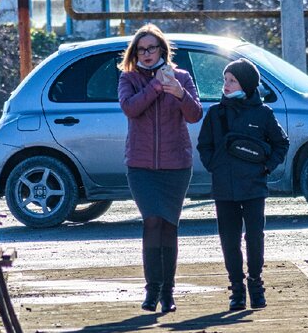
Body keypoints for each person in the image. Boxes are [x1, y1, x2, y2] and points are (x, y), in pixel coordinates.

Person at [118, 24, 203, 313]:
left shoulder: (182, 78)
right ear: (134, 53)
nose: (147, 53)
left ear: (162, 50)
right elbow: (130, 108)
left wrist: (179, 93)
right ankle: (151, 291)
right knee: (152, 221)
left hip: (175, 165)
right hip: (141, 167)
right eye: (141, 49)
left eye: (152, 48)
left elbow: (194, 115)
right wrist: (156, 85)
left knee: (169, 226)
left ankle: (168, 293)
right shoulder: (128, 79)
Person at [197, 58, 289, 311]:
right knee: (229, 239)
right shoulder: (216, 113)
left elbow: (281, 143)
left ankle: (256, 285)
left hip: (254, 187)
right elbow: (204, 145)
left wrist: (266, 167)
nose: (226, 85)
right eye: (225, 80)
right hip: (224, 187)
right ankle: (236, 289)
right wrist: (214, 164)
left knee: (255, 237)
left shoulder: (263, 114)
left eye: (232, 80)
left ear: (246, 84)